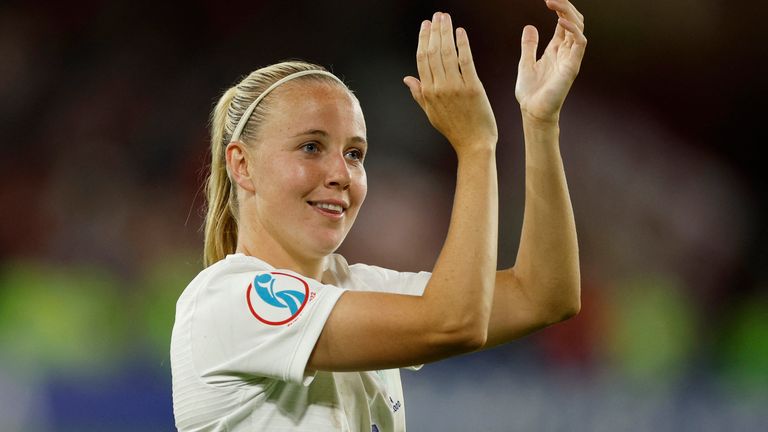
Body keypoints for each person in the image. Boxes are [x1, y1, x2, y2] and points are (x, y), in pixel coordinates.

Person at [170, 0, 586, 430]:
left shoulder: (358, 288)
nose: (340, 174)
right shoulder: (228, 299)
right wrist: (475, 146)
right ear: (241, 164)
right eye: (311, 146)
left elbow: (544, 295)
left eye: (355, 154)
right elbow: (452, 323)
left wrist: (540, 123)